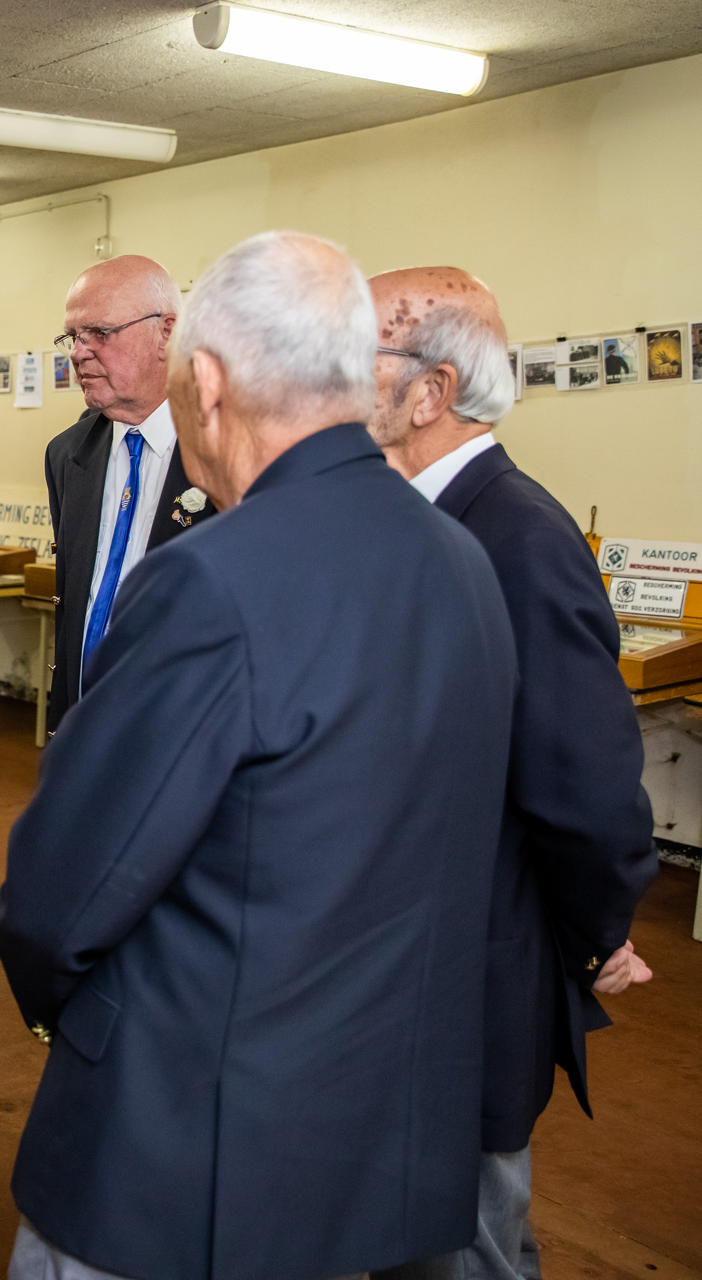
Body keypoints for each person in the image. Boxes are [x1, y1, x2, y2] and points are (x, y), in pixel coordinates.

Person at [0, 231, 518, 1280]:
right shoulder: (464, 561)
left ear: (207, 379)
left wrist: (73, 1014)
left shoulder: (211, 580)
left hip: (185, 1149)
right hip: (370, 1144)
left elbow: (61, 897)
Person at [364, 268, 659, 1280]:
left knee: (467, 1241)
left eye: (356, 357)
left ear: (429, 391)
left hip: (473, 970)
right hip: (398, 962)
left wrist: (600, 926)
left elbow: (584, 776)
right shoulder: (418, 518)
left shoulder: (518, 536)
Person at [44, 255, 215, 732]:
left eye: (98, 332)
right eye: (72, 337)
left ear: (167, 333)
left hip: (183, 739)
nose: (78, 353)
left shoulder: (229, 452)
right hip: (80, 736)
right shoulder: (67, 455)